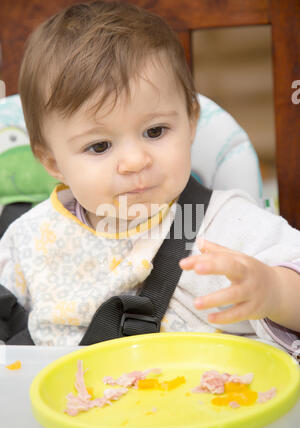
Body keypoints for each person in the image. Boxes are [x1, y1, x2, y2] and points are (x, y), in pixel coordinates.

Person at [0, 0, 300, 350]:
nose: (135, 161)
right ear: (52, 162)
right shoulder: (27, 240)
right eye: (99, 146)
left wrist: (274, 291)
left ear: (190, 121)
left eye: (155, 131)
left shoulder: (223, 225)